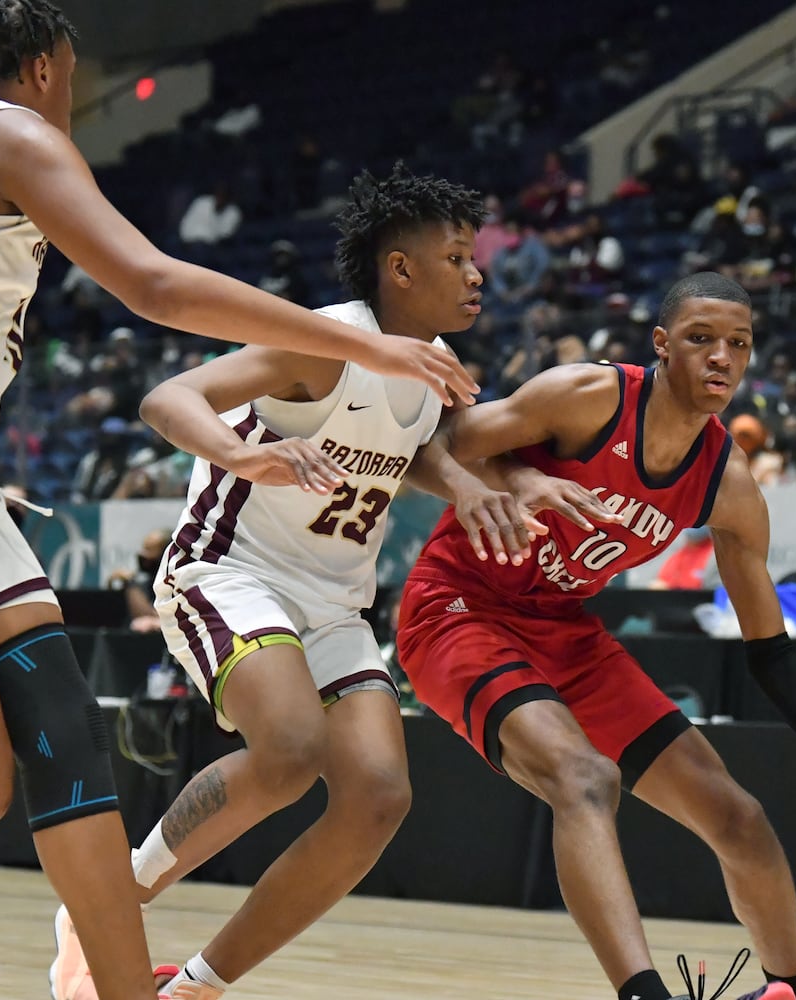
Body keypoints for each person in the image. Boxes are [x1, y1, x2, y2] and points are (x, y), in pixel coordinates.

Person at [0, 6, 475, 1000]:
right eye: (67, 78)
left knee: (67, 726)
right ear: (46, 68)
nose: (68, 99)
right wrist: (364, 343)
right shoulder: (10, 130)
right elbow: (152, 284)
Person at [52, 164, 552, 1000]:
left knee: (379, 796)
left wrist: (465, 484)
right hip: (231, 570)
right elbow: (170, 397)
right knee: (287, 750)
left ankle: (194, 989)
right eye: (457, 256)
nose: (477, 273)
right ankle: (108, 898)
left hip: (333, 603)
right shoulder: (320, 338)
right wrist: (245, 453)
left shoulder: (434, 364)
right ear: (400, 270)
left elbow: (411, 444)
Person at [396, 273, 796, 1000]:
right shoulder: (588, 398)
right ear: (661, 346)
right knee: (586, 780)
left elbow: (770, 653)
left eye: (739, 344)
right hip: (458, 606)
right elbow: (423, 448)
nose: (722, 358)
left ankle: (791, 993)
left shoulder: (728, 484)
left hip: (562, 626)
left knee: (739, 819)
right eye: (701, 340)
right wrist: (519, 481)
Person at [105, 529, 167, 632]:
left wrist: (131, 584)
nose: (142, 554)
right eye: (144, 548)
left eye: (149, 550)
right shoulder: (143, 582)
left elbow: (148, 614)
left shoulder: (174, 582)